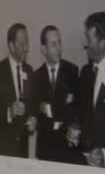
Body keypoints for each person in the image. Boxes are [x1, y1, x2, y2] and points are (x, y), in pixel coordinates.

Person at [26, 25, 82, 163]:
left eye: (59, 43)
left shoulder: (73, 72)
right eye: (53, 44)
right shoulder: (35, 77)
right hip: (45, 151)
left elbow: (78, 109)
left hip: (68, 151)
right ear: (43, 49)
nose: (58, 48)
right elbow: (32, 111)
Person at [0, 23, 35, 158]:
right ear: (11, 46)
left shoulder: (29, 71)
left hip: (24, 150)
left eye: (27, 43)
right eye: (22, 44)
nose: (27, 48)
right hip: (5, 150)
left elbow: (31, 107)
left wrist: (33, 119)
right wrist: (9, 112)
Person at [75, 12, 105, 168]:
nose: (85, 44)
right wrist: (76, 131)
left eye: (89, 39)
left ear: (103, 42)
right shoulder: (86, 73)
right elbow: (84, 114)